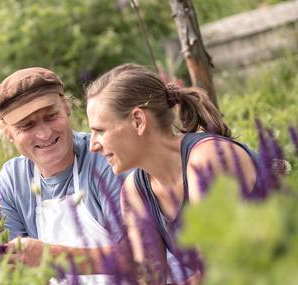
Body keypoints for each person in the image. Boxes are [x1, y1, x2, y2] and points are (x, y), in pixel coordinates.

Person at [0, 67, 127, 285]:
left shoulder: (106, 158)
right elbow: (4, 268)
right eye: (27, 125)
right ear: (8, 133)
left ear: (67, 109)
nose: (45, 133)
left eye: (51, 116)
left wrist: (53, 258)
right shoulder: (13, 179)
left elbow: (142, 259)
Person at [85, 63, 260, 274]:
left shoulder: (205, 162)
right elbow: (149, 282)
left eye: (100, 131)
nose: (93, 146)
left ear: (138, 121)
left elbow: (223, 275)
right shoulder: (135, 191)